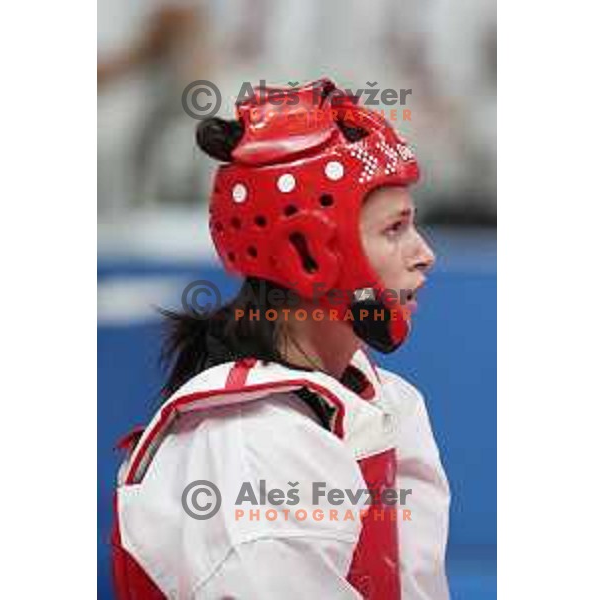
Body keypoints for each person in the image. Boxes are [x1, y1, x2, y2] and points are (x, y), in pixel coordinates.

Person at [111, 78, 450, 599]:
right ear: (311, 253)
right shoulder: (252, 443)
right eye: (394, 229)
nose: (424, 253)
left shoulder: (383, 401)